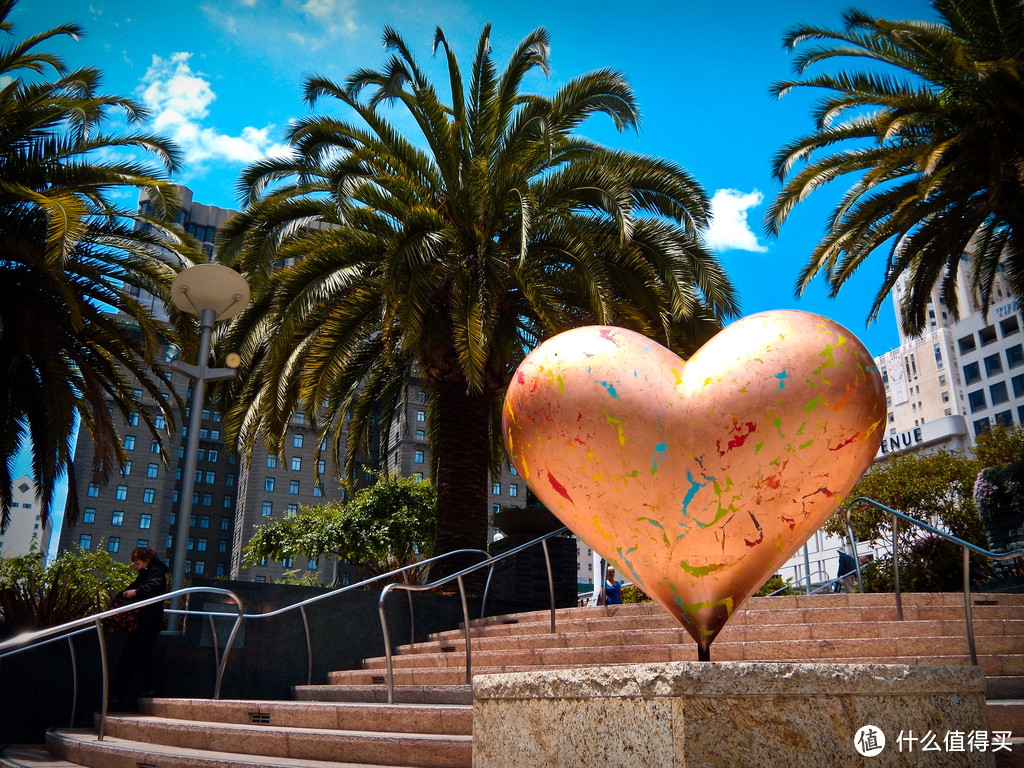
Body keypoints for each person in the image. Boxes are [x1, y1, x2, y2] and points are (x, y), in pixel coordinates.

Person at [110, 547, 168, 705]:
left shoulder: (155, 572)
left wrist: (135, 592)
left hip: (148, 622)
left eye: (137, 563)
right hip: (145, 622)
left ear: (146, 560)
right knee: (132, 656)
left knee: (135, 655)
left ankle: (156, 687)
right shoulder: (150, 572)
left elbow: (154, 589)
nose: (135, 566)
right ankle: (115, 693)